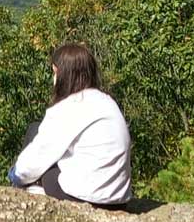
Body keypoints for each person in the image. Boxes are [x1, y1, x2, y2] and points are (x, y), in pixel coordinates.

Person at [8, 43, 132, 208]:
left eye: (54, 72)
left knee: (38, 145)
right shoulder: (107, 102)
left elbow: (32, 163)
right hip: (118, 199)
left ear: (63, 74)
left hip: (88, 198)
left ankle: (30, 194)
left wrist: (13, 176)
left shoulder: (68, 108)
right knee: (39, 134)